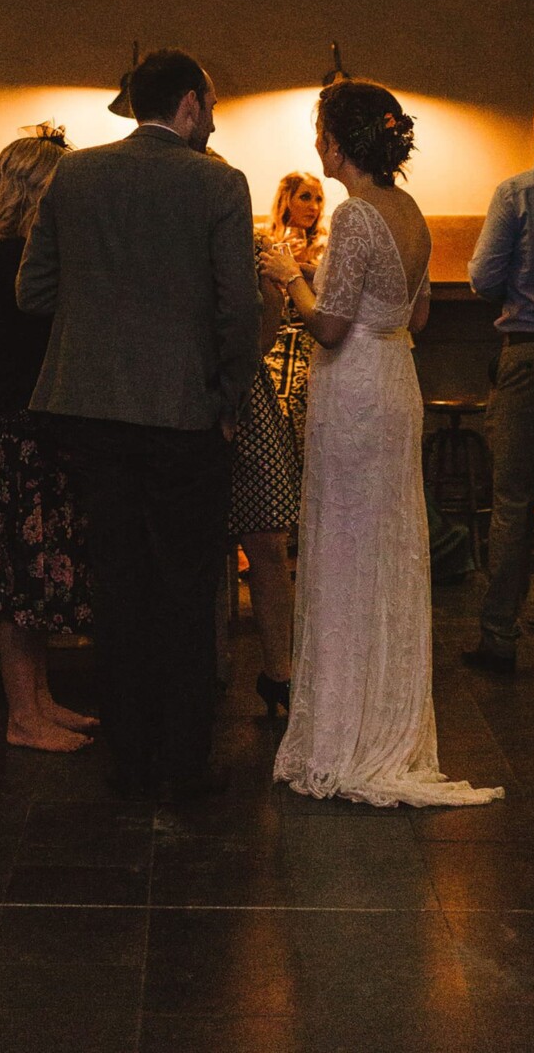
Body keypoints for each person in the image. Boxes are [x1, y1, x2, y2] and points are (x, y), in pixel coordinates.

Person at [16, 49, 260, 801]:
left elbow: (33, 291)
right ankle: (181, 760)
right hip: (185, 413)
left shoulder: (75, 174)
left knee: (117, 586)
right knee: (186, 589)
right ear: (188, 103)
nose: (212, 120)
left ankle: (128, 756)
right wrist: (227, 402)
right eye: (211, 105)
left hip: (92, 413)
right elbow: (238, 310)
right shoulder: (219, 182)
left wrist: (100, 315)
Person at [261, 80, 503, 810]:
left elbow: (330, 326)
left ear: (340, 143)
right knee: (386, 545)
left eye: (321, 132)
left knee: (343, 546)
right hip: (396, 375)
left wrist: (289, 276)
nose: (317, 144)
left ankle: (343, 734)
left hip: (355, 386)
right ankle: (383, 720)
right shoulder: (410, 210)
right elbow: (417, 315)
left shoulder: (357, 213)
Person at [0, 130, 97, 753]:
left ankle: (40, 699)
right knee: (17, 574)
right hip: (17, 430)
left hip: (27, 426)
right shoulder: (13, 255)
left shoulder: (19, 251)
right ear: (36, 190)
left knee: (36, 570)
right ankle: (23, 715)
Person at [463, 85, 534, 677]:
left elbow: (482, 278)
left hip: (528, 354)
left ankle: (500, 635)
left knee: (513, 500)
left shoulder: (517, 192)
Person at [230, 232, 301, 720]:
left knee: (269, 539)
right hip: (191, 391)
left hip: (244, 396)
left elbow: (264, 338)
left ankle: (281, 673)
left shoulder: (251, 247)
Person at [263, 172, 327, 464]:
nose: (314, 206)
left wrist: (303, 270)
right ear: (286, 200)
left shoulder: (326, 247)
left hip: (310, 344)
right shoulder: (265, 242)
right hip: (273, 342)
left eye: (318, 199)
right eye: (305, 197)